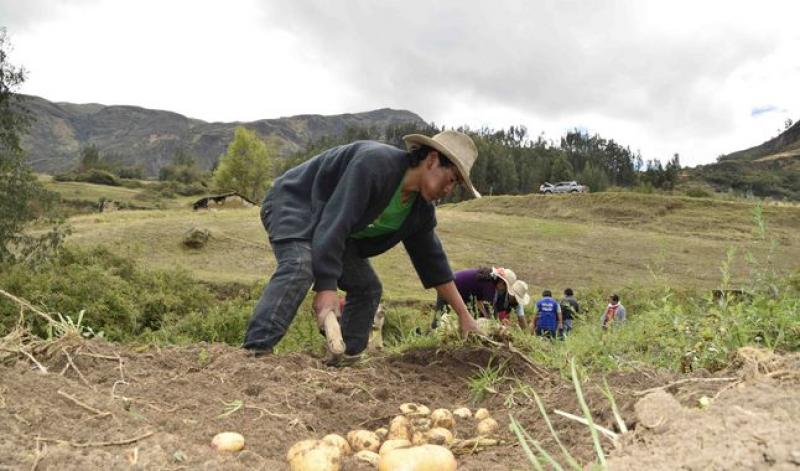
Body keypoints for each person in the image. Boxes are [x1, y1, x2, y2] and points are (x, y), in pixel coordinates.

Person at [243, 130, 482, 365]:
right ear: (431, 160)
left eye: (456, 185)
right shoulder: (374, 164)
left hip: (331, 230)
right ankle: (254, 354)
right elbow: (337, 220)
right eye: (451, 180)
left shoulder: (419, 211)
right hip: (296, 205)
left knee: (368, 288)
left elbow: (434, 264)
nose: (449, 190)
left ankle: (345, 360)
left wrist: (465, 316)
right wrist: (327, 288)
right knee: (300, 266)